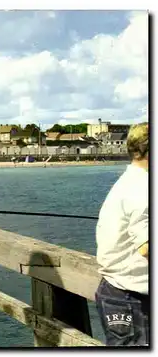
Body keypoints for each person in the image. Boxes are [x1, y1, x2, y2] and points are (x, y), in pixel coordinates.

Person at [95, 122, 149, 346]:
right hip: (130, 298)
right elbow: (147, 247)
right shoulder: (142, 189)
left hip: (116, 290)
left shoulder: (130, 181)